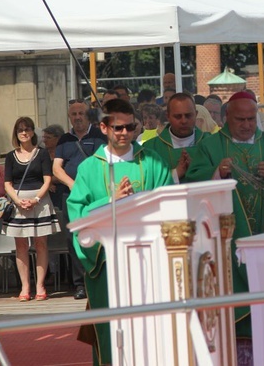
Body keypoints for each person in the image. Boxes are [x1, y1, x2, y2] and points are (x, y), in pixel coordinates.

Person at [186, 91, 264, 357]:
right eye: (240, 119)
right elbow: (191, 185)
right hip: (226, 245)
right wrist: (217, 172)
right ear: (227, 118)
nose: (246, 125)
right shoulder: (211, 147)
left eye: (251, 119)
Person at [67, 99, 172, 365]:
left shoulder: (152, 162)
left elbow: (170, 202)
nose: (125, 133)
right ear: (103, 127)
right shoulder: (89, 168)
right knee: (110, 332)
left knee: (151, 329)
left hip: (149, 262)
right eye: (118, 128)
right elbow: (76, 215)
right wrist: (110, 200)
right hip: (105, 265)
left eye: (130, 127)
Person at [53, 99, 107, 301]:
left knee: (97, 236)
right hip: (72, 197)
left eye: (81, 113)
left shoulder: (100, 136)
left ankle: (99, 279)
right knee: (74, 239)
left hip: (96, 196)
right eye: (73, 114)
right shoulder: (64, 140)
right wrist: (71, 184)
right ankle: (80, 284)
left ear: (88, 116)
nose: (77, 117)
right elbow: (56, 168)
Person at [3, 117, 60, 302]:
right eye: (20, 130)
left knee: (41, 244)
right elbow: (7, 184)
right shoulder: (11, 156)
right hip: (19, 202)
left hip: (40, 201)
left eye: (27, 129)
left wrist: (35, 199)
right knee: (20, 246)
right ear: (16, 133)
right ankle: (25, 287)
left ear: (33, 132)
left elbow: (48, 179)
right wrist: (18, 201)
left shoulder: (42, 153)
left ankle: (40, 286)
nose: (24, 132)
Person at [143, 93, 206, 183]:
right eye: (178, 116)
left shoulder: (210, 142)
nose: (184, 121)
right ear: (168, 116)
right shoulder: (151, 148)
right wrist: (176, 173)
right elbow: (147, 182)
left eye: (188, 115)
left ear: (196, 114)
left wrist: (196, 170)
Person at [42, 124, 65, 208]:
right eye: (44, 137)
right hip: (45, 198)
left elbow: (68, 174)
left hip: (63, 195)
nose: (44, 140)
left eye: (48, 138)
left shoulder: (65, 154)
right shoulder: (42, 154)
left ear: (58, 138)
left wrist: (48, 180)